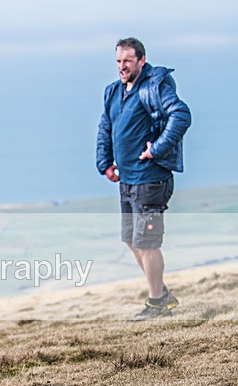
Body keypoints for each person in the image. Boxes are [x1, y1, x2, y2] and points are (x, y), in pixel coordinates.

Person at [96, 38, 191, 321]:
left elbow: (181, 115)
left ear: (141, 60)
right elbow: (106, 127)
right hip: (126, 180)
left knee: (148, 243)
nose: (122, 67)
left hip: (151, 180)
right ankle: (161, 294)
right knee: (132, 240)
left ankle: (156, 303)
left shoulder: (155, 86)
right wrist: (105, 164)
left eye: (127, 61)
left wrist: (157, 148)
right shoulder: (113, 91)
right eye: (118, 61)